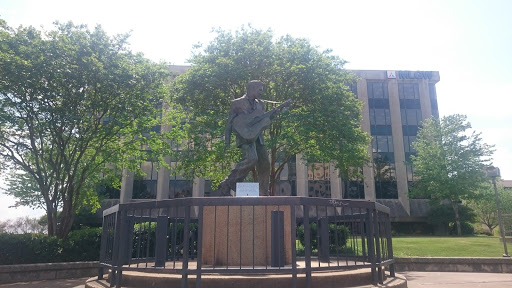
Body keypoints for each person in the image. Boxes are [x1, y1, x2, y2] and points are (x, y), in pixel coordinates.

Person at [216, 80, 276, 196]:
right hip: (245, 136)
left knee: (265, 164)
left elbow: (261, 120)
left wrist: (272, 116)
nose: (261, 93)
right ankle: (228, 183)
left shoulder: (260, 104)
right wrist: (227, 141)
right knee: (251, 158)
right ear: (252, 88)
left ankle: (263, 192)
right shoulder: (237, 103)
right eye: (259, 90)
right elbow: (229, 123)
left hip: (258, 136)